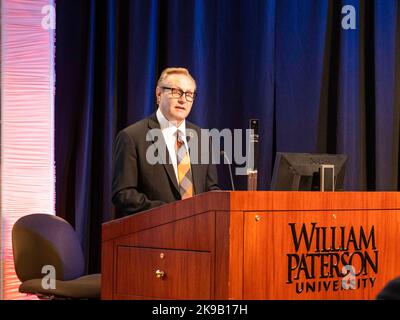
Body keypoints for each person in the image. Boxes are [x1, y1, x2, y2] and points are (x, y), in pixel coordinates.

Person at [112, 67, 219, 217]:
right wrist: (172, 212)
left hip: (198, 233)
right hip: (153, 234)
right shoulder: (132, 137)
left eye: (189, 94)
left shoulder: (202, 138)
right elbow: (123, 195)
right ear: (158, 94)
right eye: (176, 91)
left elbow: (210, 189)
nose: (183, 99)